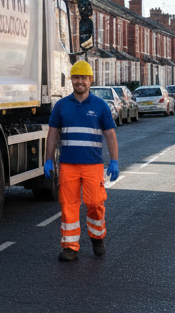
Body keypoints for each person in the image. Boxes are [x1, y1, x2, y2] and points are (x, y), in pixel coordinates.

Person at [44, 59, 119, 262]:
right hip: (68, 165)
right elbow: (52, 133)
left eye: (83, 78)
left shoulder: (100, 106)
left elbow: (110, 134)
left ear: (90, 80)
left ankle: (97, 237)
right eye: (76, 77)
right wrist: (48, 159)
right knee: (68, 204)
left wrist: (114, 160)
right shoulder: (61, 106)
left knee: (95, 203)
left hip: (93, 165)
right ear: (72, 80)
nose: (80, 82)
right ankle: (70, 247)